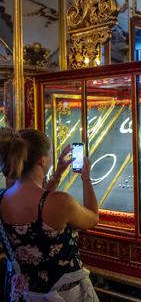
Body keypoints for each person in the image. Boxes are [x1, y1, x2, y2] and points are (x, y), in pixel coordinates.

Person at [0, 127, 99, 301]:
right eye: (51, 153)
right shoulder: (61, 202)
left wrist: (58, 173)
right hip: (64, 294)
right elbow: (92, 218)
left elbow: (38, 204)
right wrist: (86, 177)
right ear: (42, 161)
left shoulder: (2, 199)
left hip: (24, 295)